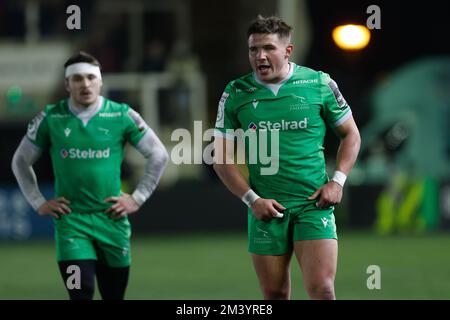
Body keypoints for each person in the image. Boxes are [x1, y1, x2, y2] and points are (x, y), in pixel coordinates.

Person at [213, 15, 361, 300]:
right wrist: (252, 200)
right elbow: (221, 158)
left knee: (322, 289)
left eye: (268, 48)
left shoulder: (318, 83)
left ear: (287, 51)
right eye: (253, 49)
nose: (260, 56)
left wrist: (338, 182)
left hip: (312, 204)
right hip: (266, 209)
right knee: (274, 293)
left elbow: (351, 135)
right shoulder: (235, 93)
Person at [11, 51, 169, 300]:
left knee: (113, 295)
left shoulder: (121, 115)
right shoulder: (51, 118)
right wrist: (38, 201)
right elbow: (20, 161)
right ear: (67, 84)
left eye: (90, 77)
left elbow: (159, 154)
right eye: (77, 79)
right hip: (71, 223)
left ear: (101, 81)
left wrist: (137, 198)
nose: (85, 84)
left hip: (112, 220)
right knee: (80, 291)